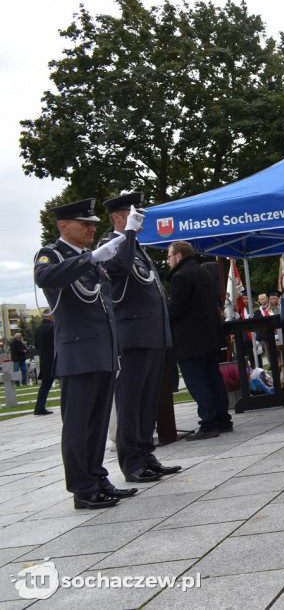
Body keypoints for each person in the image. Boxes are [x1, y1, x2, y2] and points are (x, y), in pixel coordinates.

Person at [34, 198, 130, 509]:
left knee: (98, 423)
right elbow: (45, 277)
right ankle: (82, 489)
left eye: (92, 223)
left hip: (101, 351)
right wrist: (90, 260)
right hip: (78, 353)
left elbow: (105, 309)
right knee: (77, 424)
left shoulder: (90, 257)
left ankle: (97, 477)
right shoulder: (51, 254)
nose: (91, 227)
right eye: (84, 223)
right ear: (64, 227)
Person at [101, 192, 179, 481]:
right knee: (131, 403)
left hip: (152, 335)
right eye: (133, 215)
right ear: (119, 217)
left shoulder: (136, 246)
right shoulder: (109, 245)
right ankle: (132, 463)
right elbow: (118, 268)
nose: (140, 219)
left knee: (148, 402)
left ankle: (146, 455)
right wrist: (129, 232)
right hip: (132, 337)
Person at [167, 241, 232, 440]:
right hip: (210, 336)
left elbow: (176, 309)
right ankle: (223, 419)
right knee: (214, 378)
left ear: (178, 256)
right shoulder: (204, 272)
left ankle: (208, 423)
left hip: (190, 340)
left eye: (169, 257)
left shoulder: (180, 276)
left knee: (197, 381)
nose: (168, 262)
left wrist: (163, 309)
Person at [33, 314, 55, 414]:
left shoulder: (38, 329)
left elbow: (36, 345)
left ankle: (39, 407)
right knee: (66, 383)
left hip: (44, 360)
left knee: (45, 385)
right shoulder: (52, 327)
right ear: (50, 316)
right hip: (55, 360)